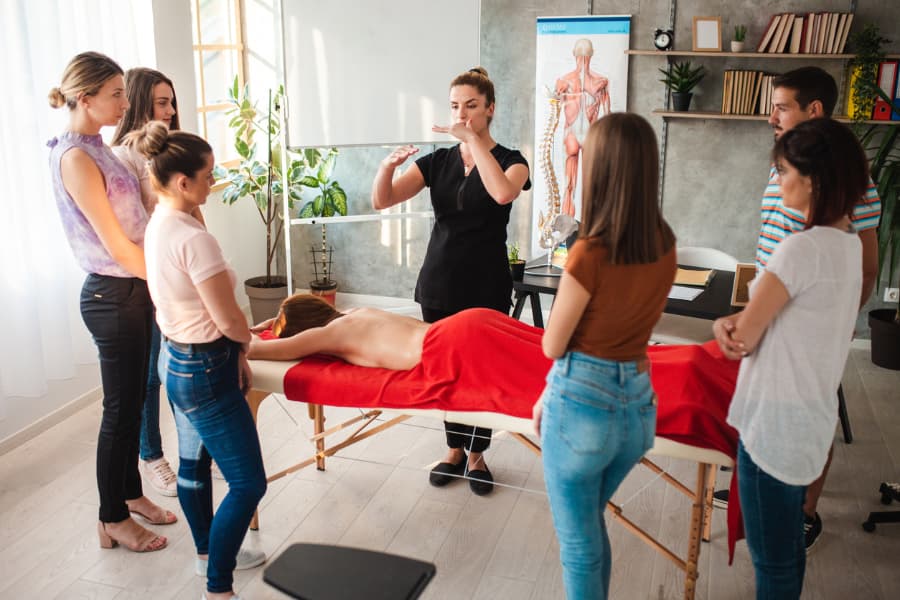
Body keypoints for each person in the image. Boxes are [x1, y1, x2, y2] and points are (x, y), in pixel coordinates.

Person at [713, 67, 881, 550]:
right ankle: (761, 488)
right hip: (774, 302)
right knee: (769, 407)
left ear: (814, 110)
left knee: (810, 407)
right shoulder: (786, 160)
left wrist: (833, 322)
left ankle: (802, 509)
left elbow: (865, 264)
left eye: (781, 106)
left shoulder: (849, 178)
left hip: (809, 316)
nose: (772, 117)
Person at [532, 113, 677, 599]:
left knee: (578, 544)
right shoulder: (665, 242)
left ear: (598, 169)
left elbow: (552, 344)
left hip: (583, 408)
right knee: (590, 530)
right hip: (637, 410)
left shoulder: (589, 252)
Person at [371, 67, 531, 495]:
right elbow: (382, 200)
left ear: (490, 109)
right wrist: (387, 166)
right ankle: (453, 450)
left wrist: (474, 141)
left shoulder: (513, 161)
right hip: (439, 283)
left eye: (472, 107)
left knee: (478, 372)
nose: (462, 114)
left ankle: (478, 455)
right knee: (446, 371)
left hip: (486, 285)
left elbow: (501, 193)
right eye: (456, 106)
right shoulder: (437, 161)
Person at [135, 121, 267, 600]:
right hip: (206, 368)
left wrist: (234, 345)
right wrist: (245, 344)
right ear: (182, 181)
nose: (216, 181)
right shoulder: (194, 239)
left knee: (192, 467)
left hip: (175, 361)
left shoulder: (159, 224)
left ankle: (206, 554)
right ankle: (219, 586)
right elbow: (229, 320)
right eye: (209, 174)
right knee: (249, 484)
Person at [47, 51, 171, 553]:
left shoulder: (96, 146)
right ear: (86, 97)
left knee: (133, 401)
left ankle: (132, 494)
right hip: (112, 293)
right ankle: (111, 517)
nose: (126, 102)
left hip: (131, 288)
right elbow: (116, 242)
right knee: (120, 412)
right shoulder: (74, 156)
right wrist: (170, 284)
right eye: (116, 93)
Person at [110, 67, 203, 497]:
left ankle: (191, 453)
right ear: (139, 102)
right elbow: (134, 228)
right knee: (150, 375)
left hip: (178, 276)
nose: (170, 111)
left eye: (172, 102)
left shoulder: (172, 150)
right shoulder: (126, 157)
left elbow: (189, 210)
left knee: (177, 368)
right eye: (161, 103)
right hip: (148, 278)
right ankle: (152, 456)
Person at [555, 38, 611, 217]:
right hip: (590, 135)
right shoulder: (600, 82)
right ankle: (589, 233)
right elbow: (607, 115)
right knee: (591, 185)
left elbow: (554, 110)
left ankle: (566, 234)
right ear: (592, 54)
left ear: (574, 54)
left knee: (568, 186)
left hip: (570, 134)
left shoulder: (564, 81)